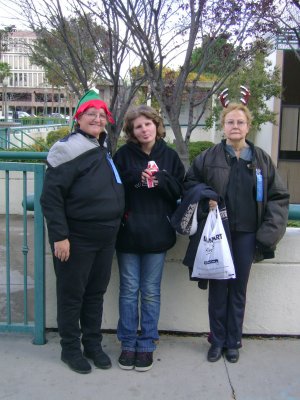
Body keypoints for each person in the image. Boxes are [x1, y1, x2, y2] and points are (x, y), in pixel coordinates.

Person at [183, 102, 289, 363]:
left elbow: (279, 197)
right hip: (218, 234)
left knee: (239, 289)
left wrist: (266, 237)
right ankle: (217, 341)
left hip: (248, 235)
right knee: (218, 289)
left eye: (240, 122)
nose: (235, 126)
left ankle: (233, 342)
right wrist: (206, 195)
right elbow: (190, 183)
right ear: (223, 125)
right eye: (230, 122)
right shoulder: (209, 157)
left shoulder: (261, 159)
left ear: (248, 126)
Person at [40, 89, 125, 374]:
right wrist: (60, 237)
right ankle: (70, 349)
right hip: (76, 237)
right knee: (71, 295)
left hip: (106, 236)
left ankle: (92, 344)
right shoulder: (65, 148)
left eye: (102, 116)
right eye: (91, 114)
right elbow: (51, 198)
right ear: (78, 118)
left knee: (95, 294)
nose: (98, 119)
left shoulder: (103, 145)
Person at [113, 105, 185, 372]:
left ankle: (146, 344)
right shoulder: (123, 156)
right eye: (138, 126)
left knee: (151, 292)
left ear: (157, 125)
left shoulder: (170, 156)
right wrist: (134, 176)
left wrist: (162, 178)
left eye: (148, 124)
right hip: (128, 233)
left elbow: (180, 189)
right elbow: (114, 186)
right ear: (131, 131)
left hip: (157, 233)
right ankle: (128, 342)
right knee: (129, 291)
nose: (144, 130)